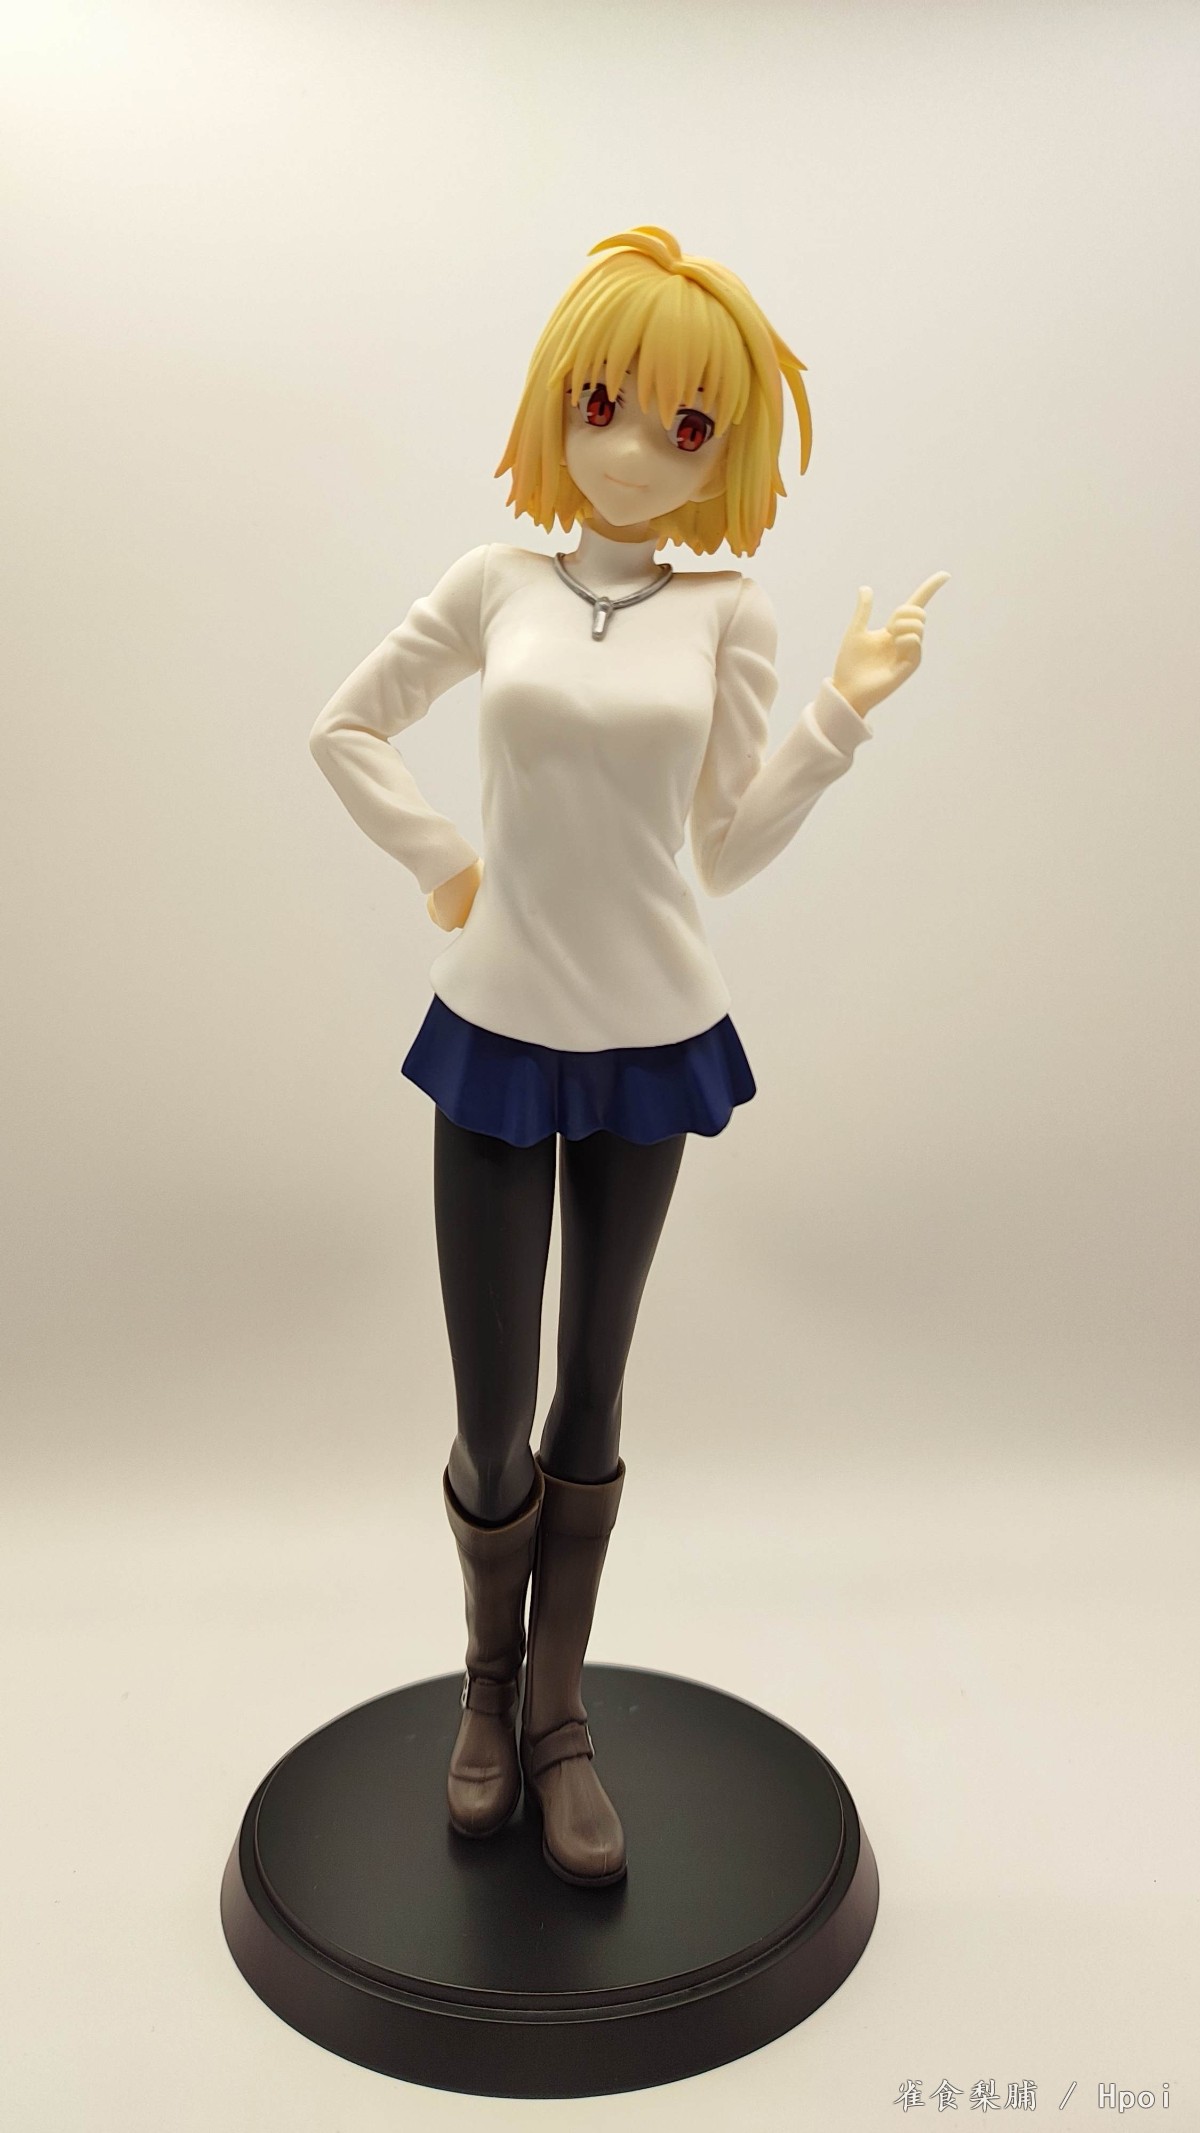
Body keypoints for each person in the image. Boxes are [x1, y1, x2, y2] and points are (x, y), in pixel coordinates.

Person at [308, 224, 947, 1890]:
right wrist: (442, 861)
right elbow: (344, 723)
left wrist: (841, 713)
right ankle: (485, 1683)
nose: (638, 449)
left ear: (726, 454)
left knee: (590, 1396)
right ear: (554, 402)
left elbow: (722, 846)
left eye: (688, 426)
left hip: (650, 1033)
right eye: (606, 403)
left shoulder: (729, 615)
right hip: (495, 1026)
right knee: (490, 1415)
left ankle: (559, 1711)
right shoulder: (495, 586)